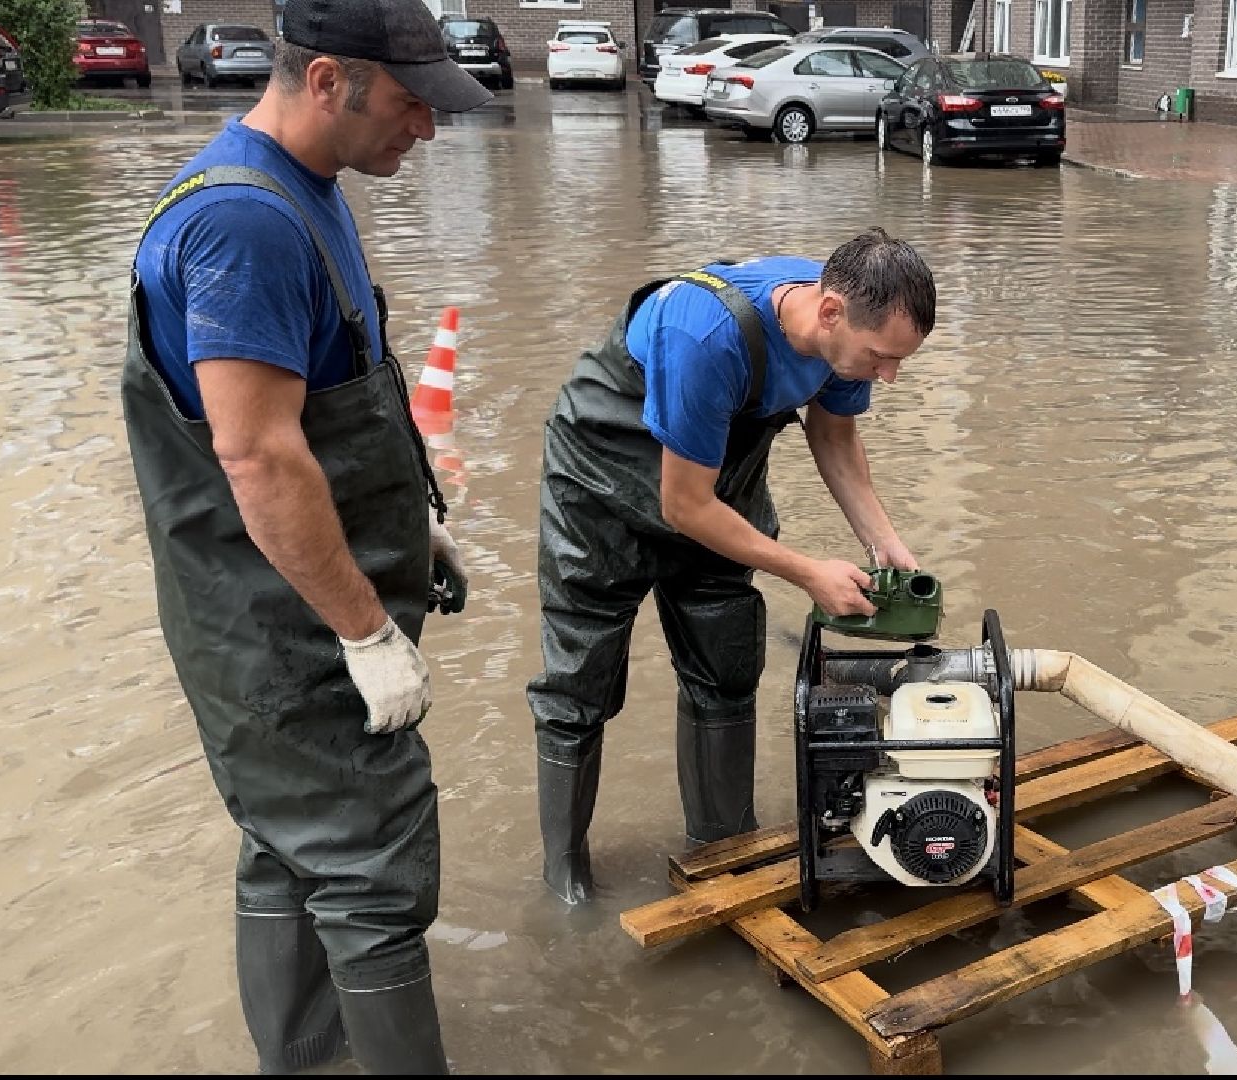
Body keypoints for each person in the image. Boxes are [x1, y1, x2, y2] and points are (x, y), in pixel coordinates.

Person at [120, 0, 491, 1073]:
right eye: (413, 105)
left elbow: (333, 410)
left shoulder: (304, 190)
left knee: (290, 845)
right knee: (369, 865)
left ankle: (304, 1058)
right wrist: (368, 633)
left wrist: (410, 526)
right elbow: (258, 456)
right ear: (328, 81)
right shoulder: (242, 225)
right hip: (283, 633)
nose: (425, 130)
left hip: (283, 609)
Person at [528, 230, 935, 904]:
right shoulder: (705, 336)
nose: (887, 375)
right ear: (830, 311)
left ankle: (722, 850)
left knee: (725, 666)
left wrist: (881, 539)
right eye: (882, 358)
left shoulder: (844, 330)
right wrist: (807, 571)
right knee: (580, 682)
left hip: (721, 485)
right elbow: (683, 505)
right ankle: (565, 877)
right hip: (601, 484)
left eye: (898, 362)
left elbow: (833, 435)